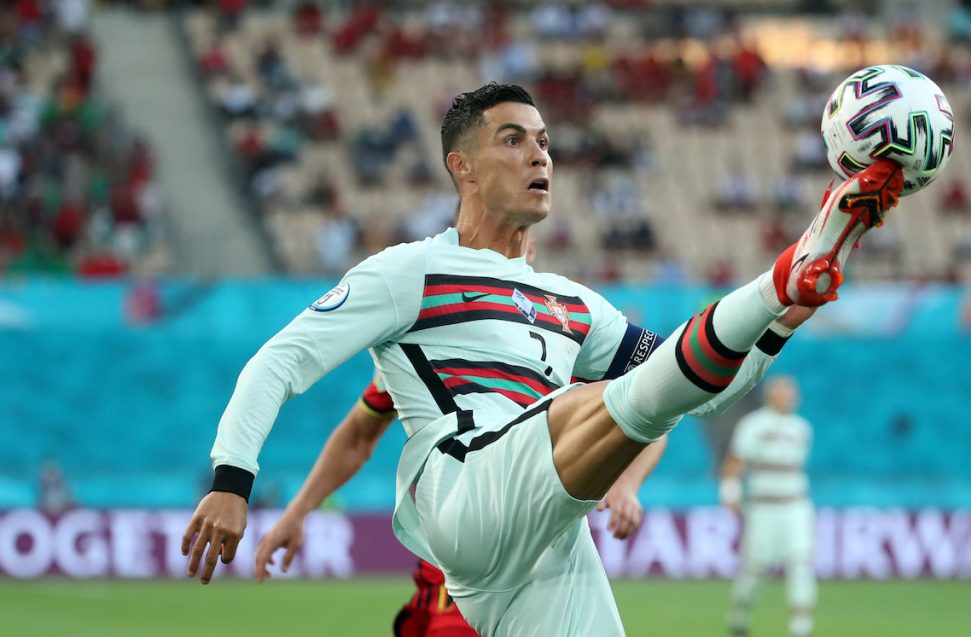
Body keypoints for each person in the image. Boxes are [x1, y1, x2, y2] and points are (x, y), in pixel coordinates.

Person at [182, 83, 903, 636]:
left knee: (646, 393)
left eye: (547, 142)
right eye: (515, 141)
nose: (540, 156)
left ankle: (787, 283)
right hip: (461, 493)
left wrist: (778, 327)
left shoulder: (574, 302)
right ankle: (792, 264)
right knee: (590, 404)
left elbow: (694, 393)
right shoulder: (409, 271)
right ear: (461, 167)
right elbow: (277, 362)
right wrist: (231, 480)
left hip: (547, 539)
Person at [252, 371, 667, 637]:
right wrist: (297, 510)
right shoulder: (416, 348)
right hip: (453, 573)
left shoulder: (562, 345)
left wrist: (626, 483)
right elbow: (359, 435)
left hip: (539, 567)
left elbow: (649, 409)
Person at [719, 376, 815, 637]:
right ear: (771, 396)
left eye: (791, 393)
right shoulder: (753, 425)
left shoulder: (802, 428)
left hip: (795, 505)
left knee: (800, 561)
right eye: (784, 393)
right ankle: (739, 614)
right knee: (755, 568)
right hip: (763, 507)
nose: (790, 398)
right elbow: (735, 461)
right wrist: (730, 492)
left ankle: (801, 628)